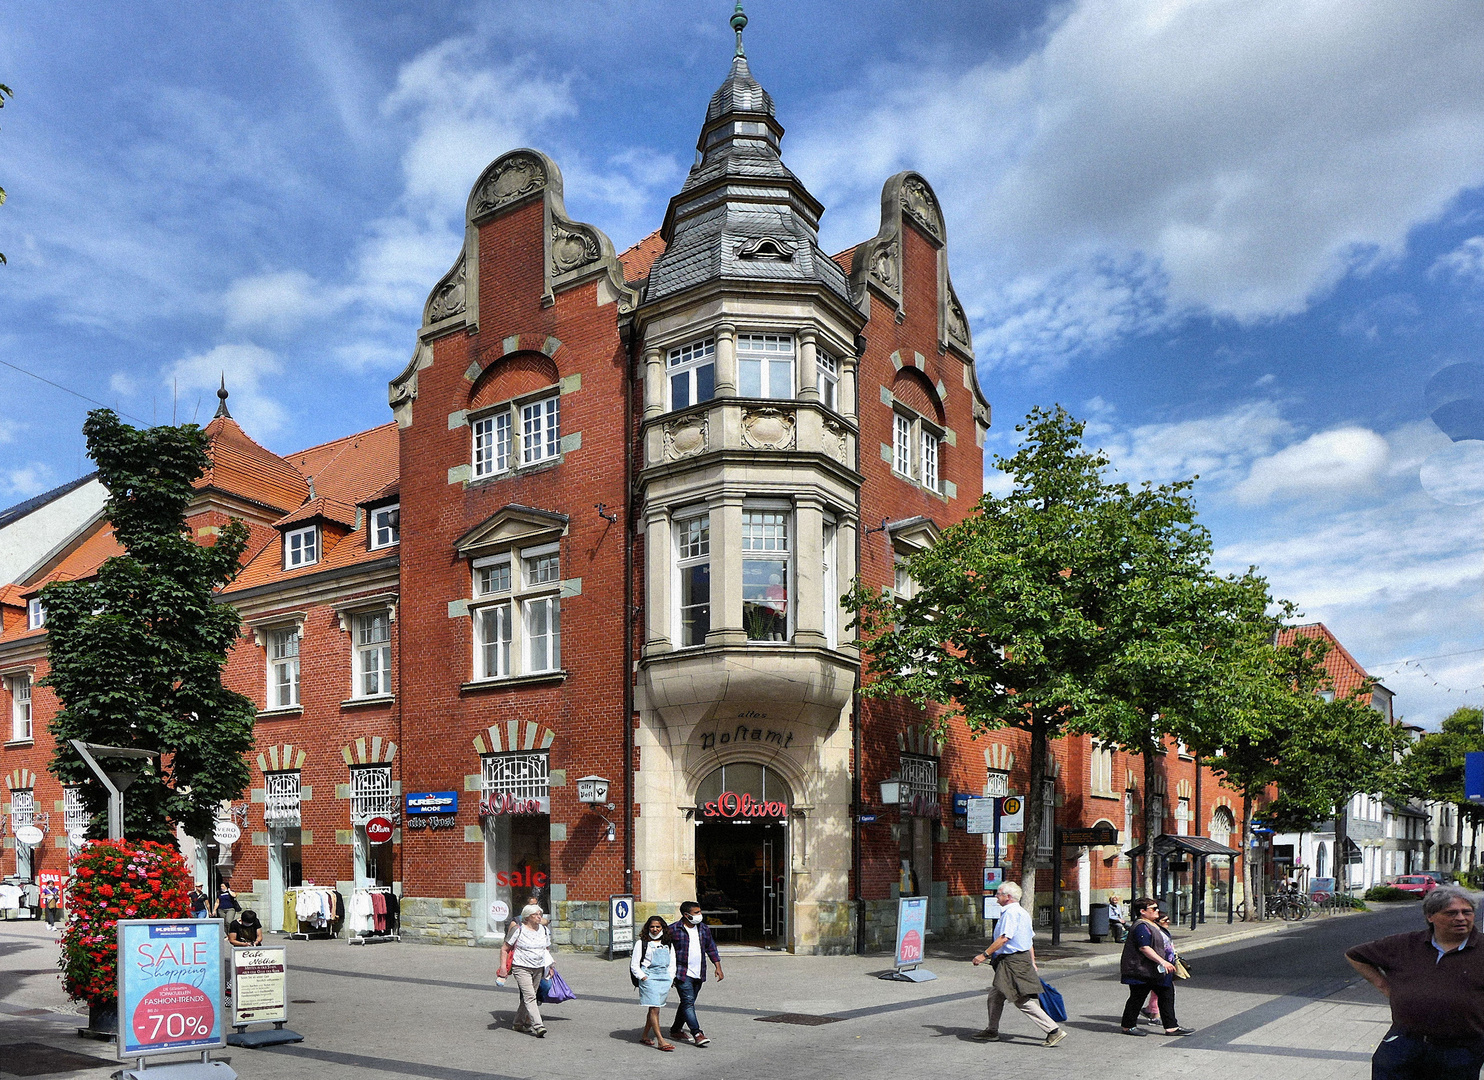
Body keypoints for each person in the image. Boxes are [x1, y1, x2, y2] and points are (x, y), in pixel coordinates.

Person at [1345, 884, 1484, 1078]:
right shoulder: (1406, 944)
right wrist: (1385, 987)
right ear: (1430, 916)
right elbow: (1355, 955)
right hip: (1403, 1043)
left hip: (1460, 1049)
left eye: (1466, 912)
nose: (1461, 918)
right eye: (1451, 913)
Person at [971, 881, 1067, 1047]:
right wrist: (1032, 961)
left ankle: (1053, 1030)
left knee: (1020, 999)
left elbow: (1004, 938)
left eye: (999, 894)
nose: (996, 896)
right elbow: (1029, 940)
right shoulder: (1022, 912)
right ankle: (992, 1030)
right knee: (995, 995)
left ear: (1008, 897)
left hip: (1012, 962)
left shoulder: (1011, 914)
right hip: (1016, 960)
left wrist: (984, 955)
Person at [1118, 897, 1192, 1036]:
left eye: (1157, 908)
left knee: (1167, 994)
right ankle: (1128, 1026)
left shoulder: (1152, 924)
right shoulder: (1141, 926)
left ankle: (1171, 1027)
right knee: (1137, 997)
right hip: (1143, 970)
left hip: (1156, 971)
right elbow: (1144, 948)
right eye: (1153, 909)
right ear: (1143, 911)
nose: (1157, 911)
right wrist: (1162, 961)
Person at [667, 901, 725, 1046]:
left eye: (700, 912)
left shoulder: (703, 929)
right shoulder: (673, 929)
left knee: (688, 1002)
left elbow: (711, 948)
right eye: (696, 913)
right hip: (682, 973)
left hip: (699, 972)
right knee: (687, 1002)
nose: (700, 915)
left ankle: (675, 1029)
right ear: (686, 915)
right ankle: (697, 1033)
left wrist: (718, 967)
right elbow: (664, 950)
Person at [506, 903, 553, 1037]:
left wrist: (550, 966)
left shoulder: (543, 930)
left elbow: (546, 949)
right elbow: (505, 948)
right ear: (527, 917)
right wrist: (503, 968)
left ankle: (518, 1023)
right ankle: (538, 1026)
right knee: (531, 996)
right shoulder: (518, 929)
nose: (539, 917)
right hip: (521, 967)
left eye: (540, 914)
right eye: (536, 915)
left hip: (538, 967)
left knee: (528, 996)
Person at [632, 915, 677, 1050]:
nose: (655, 929)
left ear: (662, 927)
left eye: (658, 926)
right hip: (649, 978)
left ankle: (645, 1035)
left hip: (664, 978)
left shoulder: (668, 943)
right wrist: (643, 977)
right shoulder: (641, 943)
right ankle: (661, 1040)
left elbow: (672, 961)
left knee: (655, 1008)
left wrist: (670, 977)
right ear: (648, 928)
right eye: (652, 927)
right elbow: (634, 964)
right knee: (654, 1008)